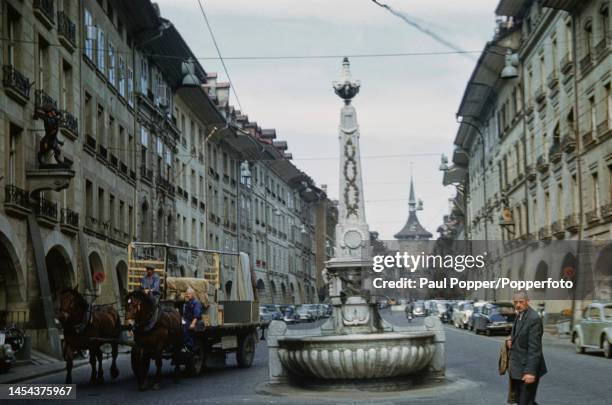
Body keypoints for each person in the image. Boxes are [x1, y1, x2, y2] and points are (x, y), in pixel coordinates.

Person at [505, 291, 547, 405]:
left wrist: (530, 372)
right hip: (518, 369)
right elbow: (519, 335)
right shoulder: (520, 315)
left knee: (525, 402)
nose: (518, 304)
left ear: (528, 302)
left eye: (521, 302)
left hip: (528, 370)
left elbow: (535, 349)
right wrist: (511, 341)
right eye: (515, 302)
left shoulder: (534, 319)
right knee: (522, 401)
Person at [182, 287, 202, 352]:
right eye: (187, 294)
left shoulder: (196, 302)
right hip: (187, 319)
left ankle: (189, 345)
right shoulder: (187, 302)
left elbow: (197, 315)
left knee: (185, 327)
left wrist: (193, 323)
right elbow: (185, 313)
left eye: (189, 294)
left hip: (194, 320)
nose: (188, 295)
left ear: (193, 294)